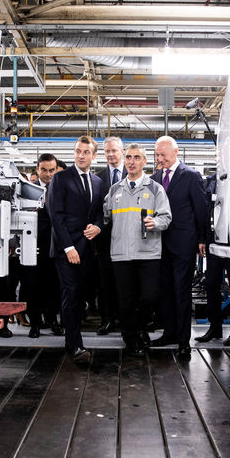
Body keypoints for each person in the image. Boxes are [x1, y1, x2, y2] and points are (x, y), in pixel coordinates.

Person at [104, 144, 171, 356]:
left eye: (137, 157)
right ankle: (131, 337)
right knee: (125, 300)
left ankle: (140, 328)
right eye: (129, 157)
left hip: (148, 253)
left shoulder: (155, 189)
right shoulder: (115, 190)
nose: (132, 161)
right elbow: (105, 218)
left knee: (149, 296)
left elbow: (166, 217)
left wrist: (156, 223)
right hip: (121, 254)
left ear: (145, 162)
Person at [149, 136, 209, 360]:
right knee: (164, 292)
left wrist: (202, 238)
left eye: (163, 155)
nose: (160, 159)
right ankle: (170, 333)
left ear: (176, 153)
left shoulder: (191, 176)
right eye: (157, 155)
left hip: (183, 243)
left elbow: (201, 209)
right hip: (158, 244)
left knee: (181, 292)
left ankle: (184, 341)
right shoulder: (154, 178)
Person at [47, 135, 103, 360]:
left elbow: (98, 212)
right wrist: (68, 247)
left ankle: (74, 337)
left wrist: (98, 227)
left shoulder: (97, 182)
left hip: (88, 249)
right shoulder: (61, 178)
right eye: (78, 151)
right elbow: (56, 216)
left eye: (86, 152)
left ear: (93, 156)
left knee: (80, 296)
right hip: (66, 250)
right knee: (70, 294)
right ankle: (73, 344)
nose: (81, 156)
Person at [195, 173, 230, 346]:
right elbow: (205, 211)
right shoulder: (211, 181)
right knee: (211, 284)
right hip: (215, 242)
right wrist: (203, 238)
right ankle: (215, 327)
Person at [25, 153, 62, 338]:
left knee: (54, 284)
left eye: (52, 170)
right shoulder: (28, 190)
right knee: (33, 285)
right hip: (33, 244)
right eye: (44, 170)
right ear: (37, 169)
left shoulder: (62, 188)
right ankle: (35, 324)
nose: (48, 174)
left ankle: (53, 319)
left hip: (56, 244)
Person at [95, 136, 127, 335]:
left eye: (114, 150)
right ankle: (107, 319)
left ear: (122, 152)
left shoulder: (136, 174)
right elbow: (96, 210)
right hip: (105, 241)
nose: (111, 154)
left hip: (128, 240)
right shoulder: (98, 179)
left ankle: (125, 320)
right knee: (105, 283)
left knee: (127, 283)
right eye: (107, 151)